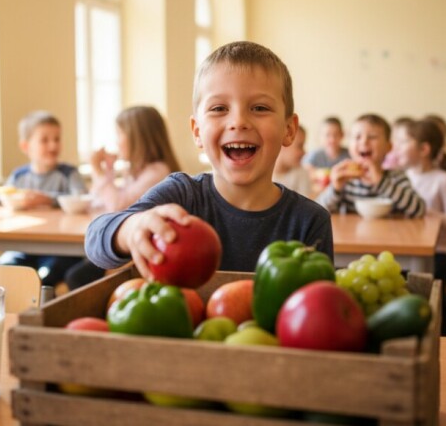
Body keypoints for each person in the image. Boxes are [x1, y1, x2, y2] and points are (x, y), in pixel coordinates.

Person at [84, 41, 333, 276]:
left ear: (289, 130)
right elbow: (95, 238)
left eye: (260, 108)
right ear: (197, 132)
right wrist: (131, 229)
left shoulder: (310, 220)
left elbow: (316, 301)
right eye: (219, 109)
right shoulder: (181, 196)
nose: (238, 122)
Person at [64, 105, 182, 289]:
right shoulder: (135, 172)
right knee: (69, 267)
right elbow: (99, 203)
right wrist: (108, 171)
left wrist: (97, 170)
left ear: (137, 138)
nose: (116, 141)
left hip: (145, 253)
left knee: (75, 276)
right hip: (131, 246)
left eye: (119, 134)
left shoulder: (157, 172)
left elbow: (118, 209)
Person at [0, 111, 87, 287]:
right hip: (24, 246)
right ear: (26, 146)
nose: (53, 145)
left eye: (57, 139)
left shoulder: (69, 174)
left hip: (61, 249)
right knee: (5, 269)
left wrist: (47, 200)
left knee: (47, 276)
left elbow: (81, 199)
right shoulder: (18, 176)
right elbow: (3, 198)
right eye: (44, 140)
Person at [395, 119, 446, 336]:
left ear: (424, 149)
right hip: (409, 248)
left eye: (403, 142)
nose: (397, 147)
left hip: (442, 252)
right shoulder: (402, 178)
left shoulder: (444, 180)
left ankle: (441, 334)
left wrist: (426, 211)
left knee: (425, 289)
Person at [317, 113, 425, 218]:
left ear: (389, 147)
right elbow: (318, 212)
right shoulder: (347, 182)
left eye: (372, 137)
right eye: (357, 137)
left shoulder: (397, 177)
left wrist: (381, 182)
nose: (364, 141)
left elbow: (419, 209)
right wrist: (335, 188)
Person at [303, 116, 350, 193]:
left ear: (342, 135)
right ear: (320, 136)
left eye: (336, 134)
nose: (332, 139)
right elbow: (305, 174)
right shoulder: (314, 155)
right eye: (327, 135)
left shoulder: (349, 155)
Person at [273, 125, 312, 197]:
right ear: (283, 144)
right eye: (300, 146)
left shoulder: (302, 173)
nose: (304, 152)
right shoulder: (261, 175)